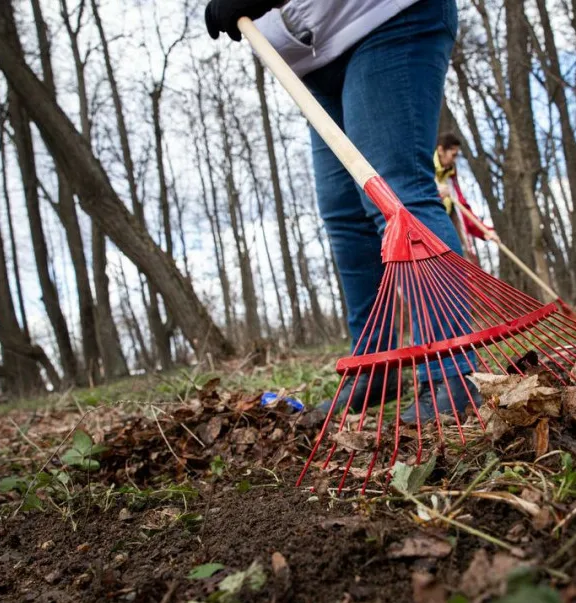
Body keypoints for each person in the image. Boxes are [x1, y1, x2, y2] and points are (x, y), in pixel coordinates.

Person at [204, 0, 480, 424]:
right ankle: (376, 365)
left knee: (397, 191)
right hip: (312, 56)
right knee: (344, 213)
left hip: (382, 17)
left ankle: (452, 371)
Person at [433, 133, 498, 262]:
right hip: (430, 235)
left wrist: (484, 231)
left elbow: (462, 209)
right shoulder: (424, 168)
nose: (454, 160)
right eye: (453, 154)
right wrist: (434, 193)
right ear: (440, 150)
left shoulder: (450, 177)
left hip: (448, 229)